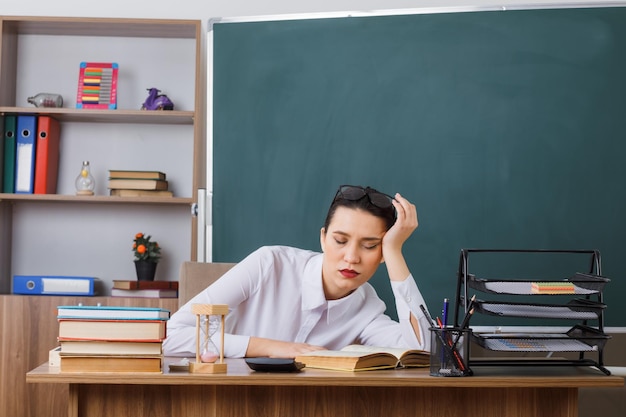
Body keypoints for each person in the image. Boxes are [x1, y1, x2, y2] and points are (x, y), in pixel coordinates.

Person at [163, 184, 432, 358]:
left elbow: (422, 351)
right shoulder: (269, 263)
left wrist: (395, 251)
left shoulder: (367, 308)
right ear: (323, 239)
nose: (351, 257)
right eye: (340, 241)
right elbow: (172, 335)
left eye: (370, 246)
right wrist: (271, 348)